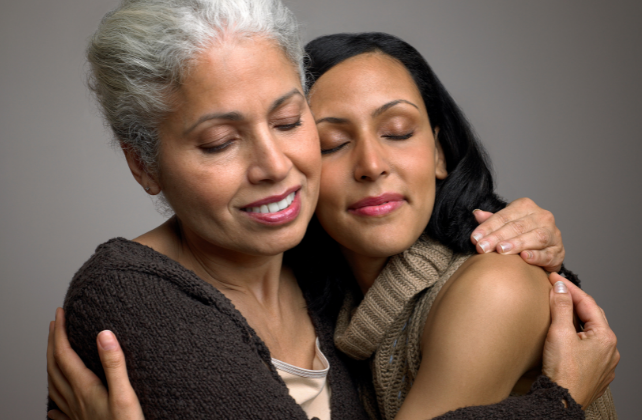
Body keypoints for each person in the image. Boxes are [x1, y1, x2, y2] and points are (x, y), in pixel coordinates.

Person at [45, 1, 618, 419]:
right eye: (220, 141)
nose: (274, 164)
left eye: (291, 123)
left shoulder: (324, 283)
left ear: (441, 149)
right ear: (143, 165)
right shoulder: (140, 292)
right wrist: (559, 403)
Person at [296, 32, 618, 419]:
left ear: (439, 154)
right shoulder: (342, 312)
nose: (371, 165)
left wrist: (564, 399)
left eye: (398, 132)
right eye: (330, 143)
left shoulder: (495, 287)